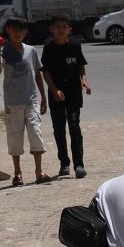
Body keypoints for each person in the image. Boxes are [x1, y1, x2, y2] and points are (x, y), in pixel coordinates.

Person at [0, 17, 49, 186]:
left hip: (31, 100)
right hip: (13, 103)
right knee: (15, 137)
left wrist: (43, 98)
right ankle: (17, 173)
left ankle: (39, 171)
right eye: (15, 29)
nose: (18, 33)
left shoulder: (31, 51)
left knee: (36, 133)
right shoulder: (4, 52)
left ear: (26, 32)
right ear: (8, 30)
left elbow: (37, 73)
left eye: (22, 30)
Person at [40, 15, 90, 179]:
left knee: (75, 128)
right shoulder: (49, 47)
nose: (61, 30)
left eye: (64, 27)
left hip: (73, 93)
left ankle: (79, 164)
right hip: (56, 94)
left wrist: (84, 81)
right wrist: (54, 91)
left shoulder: (75, 45)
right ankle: (64, 163)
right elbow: (45, 72)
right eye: (57, 27)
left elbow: (80, 66)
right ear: (51, 29)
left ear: (69, 29)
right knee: (59, 129)